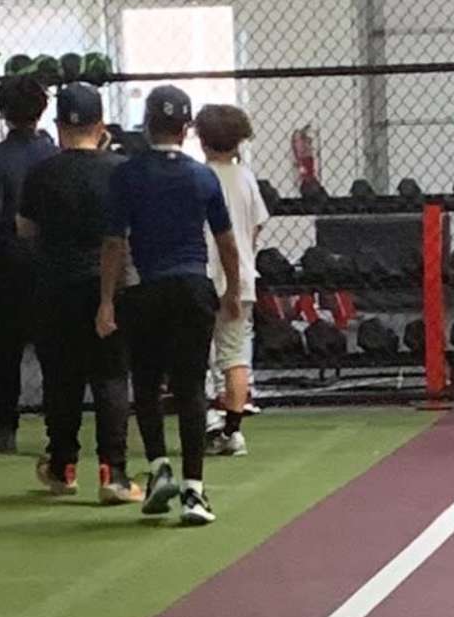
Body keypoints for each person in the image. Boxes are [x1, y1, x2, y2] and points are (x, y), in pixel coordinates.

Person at [107, 80, 236, 523]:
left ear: (146, 126)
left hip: (146, 290)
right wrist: (234, 290)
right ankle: (195, 491)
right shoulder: (203, 176)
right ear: (186, 129)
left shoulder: (125, 174)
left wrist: (107, 300)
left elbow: (114, 244)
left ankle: (160, 468)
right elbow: (227, 241)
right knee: (190, 387)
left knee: (144, 382)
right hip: (192, 287)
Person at [20, 77, 132, 504]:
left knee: (61, 379)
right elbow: (127, 235)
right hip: (109, 286)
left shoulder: (41, 172)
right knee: (110, 376)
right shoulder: (121, 171)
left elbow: (25, 229)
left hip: (54, 286)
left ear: (59, 126)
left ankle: (63, 465)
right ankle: (114, 472)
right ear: (101, 124)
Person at [0, 72, 54, 456]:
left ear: (2, 112)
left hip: (9, 254)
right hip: (51, 253)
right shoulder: (52, 152)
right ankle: (58, 421)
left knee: (6, 346)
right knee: (54, 343)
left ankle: (4, 426)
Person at [196, 98, 268, 456]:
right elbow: (254, 228)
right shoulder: (246, 179)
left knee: (200, 352)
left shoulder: (197, 176)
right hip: (241, 277)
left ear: (202, 139)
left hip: (202, 275)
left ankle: (210, 422)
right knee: (236, 354)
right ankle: (234, 431)